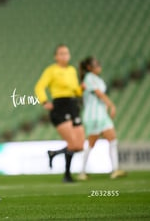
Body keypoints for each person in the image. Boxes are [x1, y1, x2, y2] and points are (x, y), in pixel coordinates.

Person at [34, 44, 85, 182]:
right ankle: (67, 176)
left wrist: (81, 89)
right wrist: (44, 101)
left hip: (73, 105)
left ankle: (54, 153)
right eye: (61, 53)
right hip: (60, 106)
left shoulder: (72, 70)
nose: (64, 56)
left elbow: (76, 90)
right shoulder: (51, 70)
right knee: (73, 144)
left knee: (79, 146)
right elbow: (39, 87)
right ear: (56, 56)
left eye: (66, 53)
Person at [78, 57, 126, 180]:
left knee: (112, 140)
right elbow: (99, 93)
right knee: (92, 143)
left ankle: (115, 169)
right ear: (89, 67)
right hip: (93, 116)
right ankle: (82, 171)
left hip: (100, 114)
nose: (99, 66)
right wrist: (111, 105)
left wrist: (106, 107)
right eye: (96, 64)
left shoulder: (96, 79)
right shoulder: (89, 78)